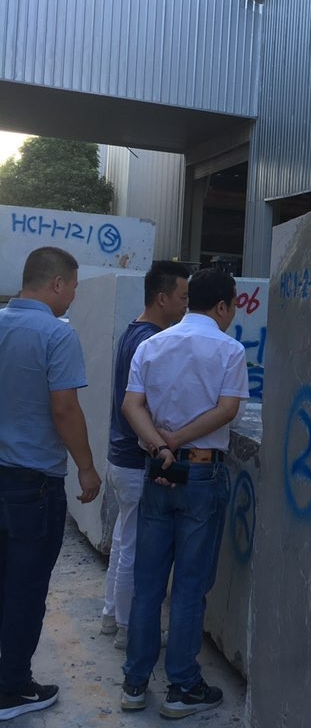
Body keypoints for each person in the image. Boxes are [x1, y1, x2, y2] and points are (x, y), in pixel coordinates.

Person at [120, 268, 249, 719]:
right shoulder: (229, 350)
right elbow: (227, 410)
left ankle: (135, 683)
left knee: (148, 583)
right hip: (200, 474)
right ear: (223, 306)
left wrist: (160, 446)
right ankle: (182, 686)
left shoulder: (152, 345)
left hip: (158, 470)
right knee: (190, 587)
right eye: (233, 306)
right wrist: (176, 441)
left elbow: (131, 405)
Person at [0, 246, 101, 721]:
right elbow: (64, 409)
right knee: (24, 587)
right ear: (57, 283)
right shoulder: (57, 334)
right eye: (73, 287)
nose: (73, 297)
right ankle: (12, 688)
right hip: (33, 483)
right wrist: (86, 466)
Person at [100, 261, 190, 650]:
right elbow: (144, 406)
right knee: (135, 549)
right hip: (136, 460)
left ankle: (112, 617)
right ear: (162, 298)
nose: (187, 306)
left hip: (121, 457)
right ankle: (127, 628)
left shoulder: (133, 332)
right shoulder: (151, 342)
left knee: (124, 540)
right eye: (183, 297)